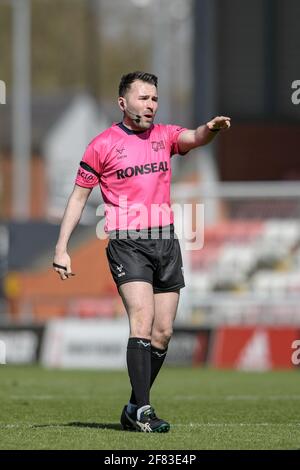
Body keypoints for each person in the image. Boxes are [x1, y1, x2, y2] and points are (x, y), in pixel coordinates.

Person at [53, 71, 231, 433]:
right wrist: (62, 247)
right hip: (127, 242)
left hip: (165, 241)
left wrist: (210, 128)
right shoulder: (102, 145)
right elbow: (77, 198)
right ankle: (145, 410)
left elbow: (194, 138)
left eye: (154, 99)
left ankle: (134, 406)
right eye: (143, 98)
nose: (150, 105)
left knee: (163, 332)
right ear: (123, 103)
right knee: (142, 320)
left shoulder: (164, 135)